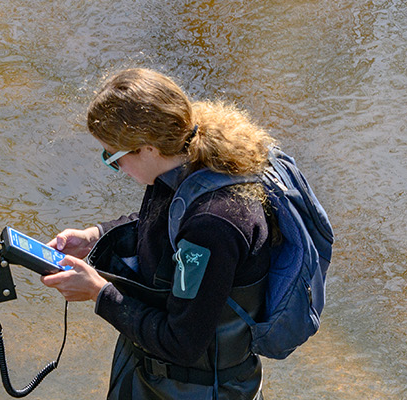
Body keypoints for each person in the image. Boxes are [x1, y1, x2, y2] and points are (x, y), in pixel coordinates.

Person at [42, 68, 277, 400]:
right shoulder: (185, 161)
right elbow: (160, 223)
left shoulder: (213, 225)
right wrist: (96, 236)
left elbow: (181, 342)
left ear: (148, 148)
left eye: (114, 158)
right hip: (158, 374)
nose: (116, 169)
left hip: (201, 388)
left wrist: (99, 293)